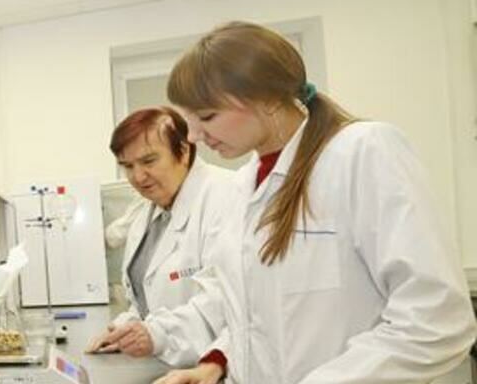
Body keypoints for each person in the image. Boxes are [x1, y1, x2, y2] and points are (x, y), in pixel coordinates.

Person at [139, 22, 475, 383]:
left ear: (267, 99)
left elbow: (437, 319)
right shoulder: (242, 188)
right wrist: (216, 363)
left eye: (207, 117)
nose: (193, 136)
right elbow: (254, 316)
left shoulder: (362, 153)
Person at [85, 107, 235, 366]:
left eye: (149, 161)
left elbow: (224, 301)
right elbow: (144, 299)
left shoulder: (226, 195)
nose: (138, 177)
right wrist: (125, 329)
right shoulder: (148, 212)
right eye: (128, 166)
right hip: (167, 365)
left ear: (184, 151)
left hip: (216, 368)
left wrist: (158, 334)